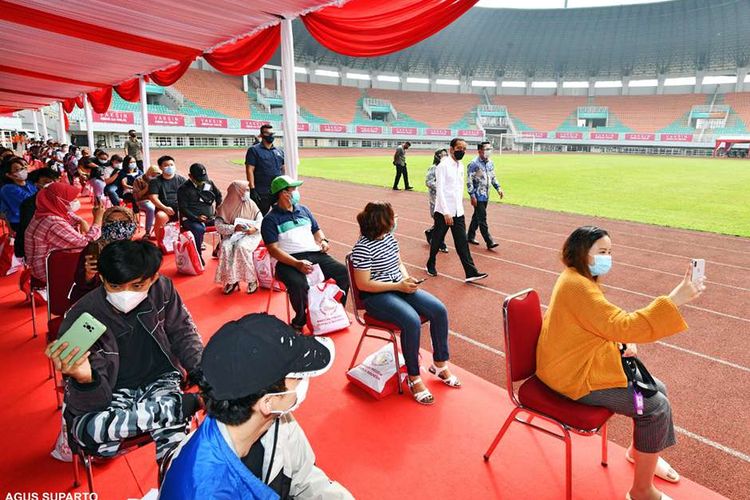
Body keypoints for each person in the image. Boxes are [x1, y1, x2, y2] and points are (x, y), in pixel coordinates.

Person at [536, 226, 706, 500]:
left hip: (578, 361)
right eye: (602, 252)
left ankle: (639, 453)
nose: (607, 257)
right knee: (655, 407)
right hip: (572, 375)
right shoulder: (578, 286)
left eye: (610, 252)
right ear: (581, 253)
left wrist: (619, 341)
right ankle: (641, 491)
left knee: (656, 387)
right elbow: (621, 324)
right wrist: (674, 300)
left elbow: (599, 325)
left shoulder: (578, 278)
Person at [45, 240, 204, 468]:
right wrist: (85, 380)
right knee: (87, 434)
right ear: (102, 279)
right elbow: (88, 405)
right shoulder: (82, 317)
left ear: (153, 278)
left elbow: (183, 332)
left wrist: (201, 371)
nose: (126, 294)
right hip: (113, 389)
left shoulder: (163, 289)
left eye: (137, 285)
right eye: (115, 286)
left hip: (161, 378)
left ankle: (170, 411)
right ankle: (176, 407)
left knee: (177, 453)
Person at [160, 313, 353, 500]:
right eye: (297, 377)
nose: (304, 381)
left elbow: (305, 478)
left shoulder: (276, 420)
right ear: (267, 402)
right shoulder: (202, 490)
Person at [352, 201, 460, 405]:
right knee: (410, 321)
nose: (395, 221)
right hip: (376, 296)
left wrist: (407, 280)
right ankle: (414, 377)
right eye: (392, 217)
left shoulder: (390, 238)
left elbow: (398, 262)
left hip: (398, 287)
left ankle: (439, 363)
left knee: (439, 310)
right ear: (382, 222)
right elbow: (363, 284)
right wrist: (397, 287)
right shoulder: (362, 248)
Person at [261, 175, 349, 333]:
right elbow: (273, 250)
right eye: (292, 189)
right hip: (288, 261)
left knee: (344, 273)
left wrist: (323, 241)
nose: (296, 192)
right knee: (299, 284)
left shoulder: (304, 210)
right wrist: (297, 264)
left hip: (315, 255)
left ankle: (333, 309)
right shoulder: (270, 220)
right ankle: (300, 319)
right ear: (282, 193)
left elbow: (316, 230)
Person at [426, 138, 488, 283]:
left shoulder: (461, 166)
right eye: (459, 148)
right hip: (443, 211)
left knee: (462, 242)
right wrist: (446, 212)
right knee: (437, 240)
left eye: (465, 149)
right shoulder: (443, 166)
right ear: (452, 149)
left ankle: (471, 272)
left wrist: (459, 209)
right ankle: (430, 263)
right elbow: (440, 190)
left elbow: (458, 189)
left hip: (458, 212)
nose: (462, 151)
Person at [24, 183, 103, 282]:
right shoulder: (53, 222)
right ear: (59, 201)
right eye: (72, 200)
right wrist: (98, 221)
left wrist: (81, 221)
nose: (76, 202)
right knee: (96, 266)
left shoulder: (46, 210)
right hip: (46, 269)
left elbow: (69, 214)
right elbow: (87, 244)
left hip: (41, 263)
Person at [69, 206, 138, 303]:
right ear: (104, 224)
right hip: (95, 302)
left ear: (133, 225)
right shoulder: (94, 248)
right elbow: (81, 283)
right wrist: (89, 275)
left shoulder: (138, 251)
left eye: (123, 222)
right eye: (111, 222)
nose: (117, 226)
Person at [214, 180, 263, 295]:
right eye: (244, 190)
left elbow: (261, 221)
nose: (247, 193)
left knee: (241, 247)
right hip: (232, 235)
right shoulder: (224, 206)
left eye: (248, 190)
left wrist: (254, 229)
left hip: (251, 234)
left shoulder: (251, 204)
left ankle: (252, 280)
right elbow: (219, 227)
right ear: (236, 192)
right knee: (226, 247)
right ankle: (232, 280)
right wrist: (234, 228)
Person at [177, 163, 222, 263]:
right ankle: (197, 256)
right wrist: (197, 218)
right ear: (190, 176)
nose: (202, 182)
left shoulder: (209, 183)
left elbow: (218, 195)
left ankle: (219, 249)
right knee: (198, 228)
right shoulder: (183, 189)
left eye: (203, 178)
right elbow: (183, 208)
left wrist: (218, 207)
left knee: (227, 224)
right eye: (199, 179)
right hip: (191, 219)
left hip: (209, 218)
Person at [15, 167, 60, 258]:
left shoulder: (58, 200)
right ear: (36, 184)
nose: (51, 184)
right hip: (40, 249)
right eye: (46, 182)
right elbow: (27, 228)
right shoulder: (30, 204)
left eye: (54, 181)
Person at [467, 141, 503, 249]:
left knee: (476, 217)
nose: (489, 151)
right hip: (478, 195)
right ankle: (489, 241)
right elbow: (469, 181)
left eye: (490, 149)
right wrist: (472, 195)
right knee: (482, 218)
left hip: (486, 194)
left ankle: (469, 236)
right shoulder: (474, 164)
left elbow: (492, 177)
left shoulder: (490, 163)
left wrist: (498, 188)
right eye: (486, 149)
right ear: (479, 151)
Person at [245, 124, 285, 215]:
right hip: (261, 192)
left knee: (280, 214)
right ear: (262, 135)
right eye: (268, 133)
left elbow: (283, 168)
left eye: (272, 133)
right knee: (259, 217)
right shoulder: (254, 150)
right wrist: (252, 189)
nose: (271, 136)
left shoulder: (279, 151)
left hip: (277, 190)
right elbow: (249, 169)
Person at [149, 155, 186, 243]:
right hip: (164, 209)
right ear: (160, 167)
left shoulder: (181, 180)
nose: (170, 167)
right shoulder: (155, 181)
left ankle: (193, 241)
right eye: (166, 165)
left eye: (172, 164)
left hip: (180, 209)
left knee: (192, 217)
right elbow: (153, 198)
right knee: (160, 216)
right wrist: (165, 208)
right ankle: (160, 243)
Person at [0, 156, 37, 234]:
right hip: (20, 221)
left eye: (23, 167)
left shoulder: (29, 183)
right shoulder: (8, 189)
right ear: (9, 175)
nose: (23, 171)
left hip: (33, 218)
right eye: (17, 170)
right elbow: (31, 200)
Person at [424, 148, 449, 254]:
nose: (445, 157)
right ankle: (440, 243)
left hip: (447, 199)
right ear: (437, 156)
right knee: (440, 222)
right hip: (436, 200)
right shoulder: (433, 168)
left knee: (445, 223)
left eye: (446, 154)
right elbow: (429, 182)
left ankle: (430, 233)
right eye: (442, 155)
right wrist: (441, 187)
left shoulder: (448, 168)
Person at [133, 165, 160, 239]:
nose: (155, 177)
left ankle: (160, 232)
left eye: (156, 176)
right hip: (143, 201)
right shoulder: (138, 180)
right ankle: (147, 232)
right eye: (153, 175)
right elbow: (137, 196)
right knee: (151, 208)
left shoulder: (158, 180)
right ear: (149, 173)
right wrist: (147, 187)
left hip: (156, 200)